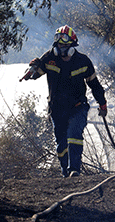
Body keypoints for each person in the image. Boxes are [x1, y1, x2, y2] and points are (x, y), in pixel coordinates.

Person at [20, 25, 108, 177]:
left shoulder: (83, 61)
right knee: (61, 144)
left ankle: (75, 169)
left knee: (74, 134)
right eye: (59, 43)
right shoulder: (49, 58)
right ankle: (65, 173)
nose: (61, 47)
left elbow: (95, 85)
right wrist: (32, 69)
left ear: (72, 45)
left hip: (78, 107)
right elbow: (35, 74)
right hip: (57, 109)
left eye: (64, 44)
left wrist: (102, 104)